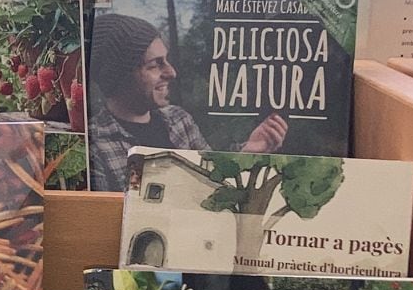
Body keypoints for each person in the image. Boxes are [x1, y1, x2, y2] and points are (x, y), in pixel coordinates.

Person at [87, 12, 287, 192]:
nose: (171, 72)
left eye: (166, 60)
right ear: (120, 76)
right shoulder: (95, 144)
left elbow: (213, 177)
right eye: (155, 65)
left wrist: (248, 150)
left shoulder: (179, 119)